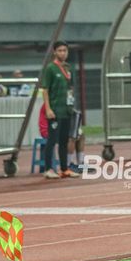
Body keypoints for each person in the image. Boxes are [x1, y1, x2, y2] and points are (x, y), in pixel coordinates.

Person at [41, 41, 80, 179]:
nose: (63, 53)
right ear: (54, 52)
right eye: (60, 50)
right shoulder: (51, 68)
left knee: (64, 140)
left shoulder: (68, 68)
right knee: (52, 140)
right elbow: (45, 90)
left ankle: (64, 169)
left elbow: (71, 89)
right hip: (55, 110)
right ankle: (48, 169)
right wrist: (48, 109)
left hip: (66, 110)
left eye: (65, 50)